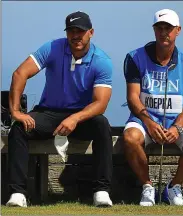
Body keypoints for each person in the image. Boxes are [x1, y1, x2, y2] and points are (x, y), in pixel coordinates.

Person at [6, 11, 113, 207]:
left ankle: (101, 190)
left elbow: (101, 104)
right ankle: (17, 193)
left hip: (81, 117)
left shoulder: (102, 60)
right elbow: (20, 74)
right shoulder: (53, 47)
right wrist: (15, 112)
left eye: (80, 31)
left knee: (102, 125)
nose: (75, 36)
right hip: (49, 112)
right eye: (71, 31)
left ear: (91, 32)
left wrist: (75, 118)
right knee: (19, 129)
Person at [123, 9, 183, 206]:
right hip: (144, 120)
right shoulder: (134, 57)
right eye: (159, 28)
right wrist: (149, 123)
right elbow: (133, 98)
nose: (164, 33)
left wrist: (177, 128)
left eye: (168, 28)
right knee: (130, 138)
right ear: (154, 30)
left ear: (178, 30)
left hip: (177, 120)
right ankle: (147, 187)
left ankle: (173, 188)